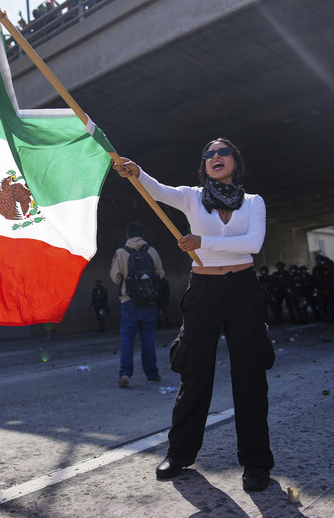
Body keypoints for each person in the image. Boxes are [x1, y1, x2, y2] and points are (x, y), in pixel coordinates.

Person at [113, 137, 275, 491]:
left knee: (250, 377)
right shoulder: (191, 196)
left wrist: (204, 242)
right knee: (194, 373)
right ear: (204, 166)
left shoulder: (253, 202)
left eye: (222, 153)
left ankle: (256, 462)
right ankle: (180, 452)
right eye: (209, 155)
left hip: (244, 291)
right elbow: (156, 190)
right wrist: (136, 172)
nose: (215, 157)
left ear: (236, 161)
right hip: (203, 291)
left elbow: (253, 244)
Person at [110, 222, 163, 388]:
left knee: (127, 338)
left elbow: (115, 278)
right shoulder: (151, 251)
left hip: (128, 302)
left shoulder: (121, 252)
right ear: (143, 236)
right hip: (149, 302)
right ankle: (152, 374)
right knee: (148, 338)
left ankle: (125, 373)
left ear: (127, 236)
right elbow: (160, 274)